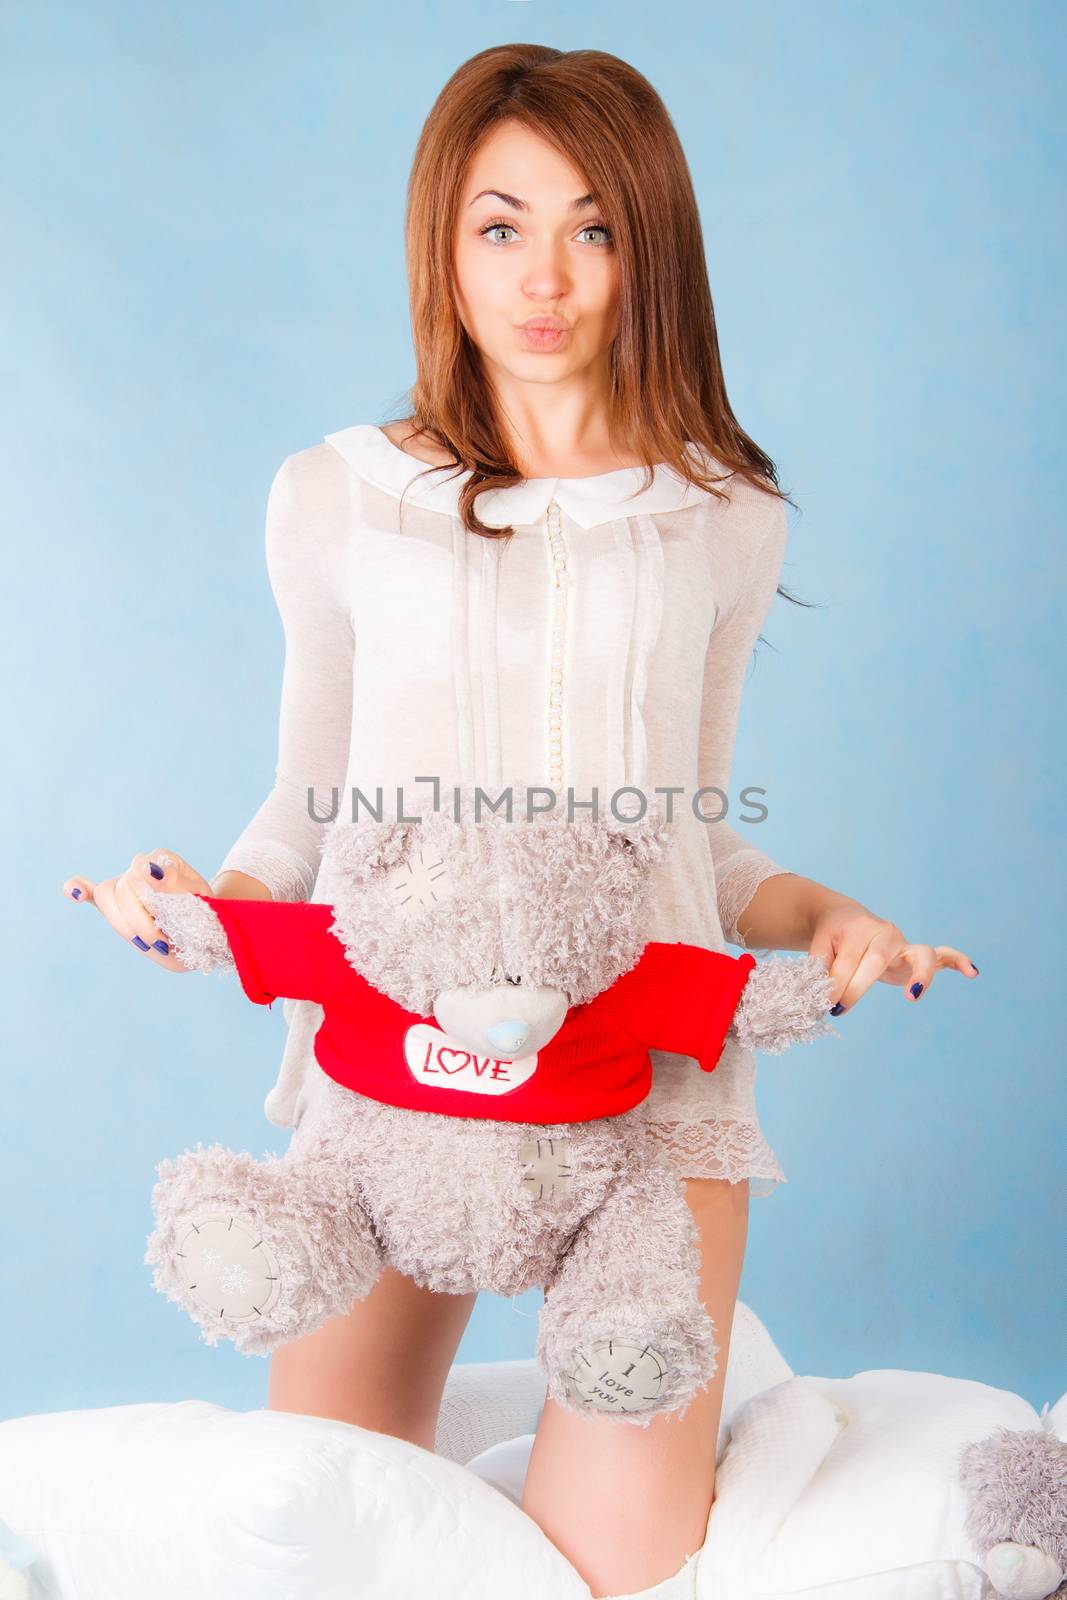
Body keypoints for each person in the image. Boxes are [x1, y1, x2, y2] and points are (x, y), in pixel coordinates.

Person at [63, 43, 979, 1600]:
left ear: (649, 249)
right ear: (444, 241)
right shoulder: (338, 496)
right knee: (327, 1530)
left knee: (614, 1569)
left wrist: (826, 918)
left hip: (648, 1086)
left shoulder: (725, 515)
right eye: (501, 225)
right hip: (399, 1072)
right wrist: (202, 899)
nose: (544, 275)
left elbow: (698, 836)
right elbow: (311, 801)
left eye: (593, 226)